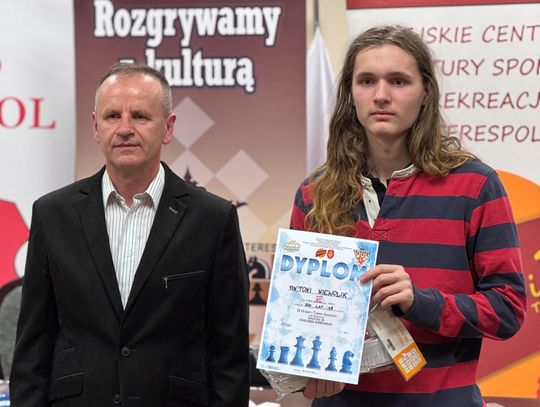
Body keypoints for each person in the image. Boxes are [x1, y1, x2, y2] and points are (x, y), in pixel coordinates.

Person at [291, 25, 526, 406]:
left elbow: (509, 309)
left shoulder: (476, 186)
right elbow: (298, 315)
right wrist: (303, 365)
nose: (381, 95)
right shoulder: (314, 194)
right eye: (367, 81)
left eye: (398, 81)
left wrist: (422, 302)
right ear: (351, 92)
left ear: (426, 91)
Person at [10, 63, 250, 406]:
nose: (124, 129)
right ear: (96, 126)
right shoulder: (52, 215)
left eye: (140, 116)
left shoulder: (213, 219)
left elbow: (229, 356)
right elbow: (32, 349)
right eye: (112, 116)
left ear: (168, 128)